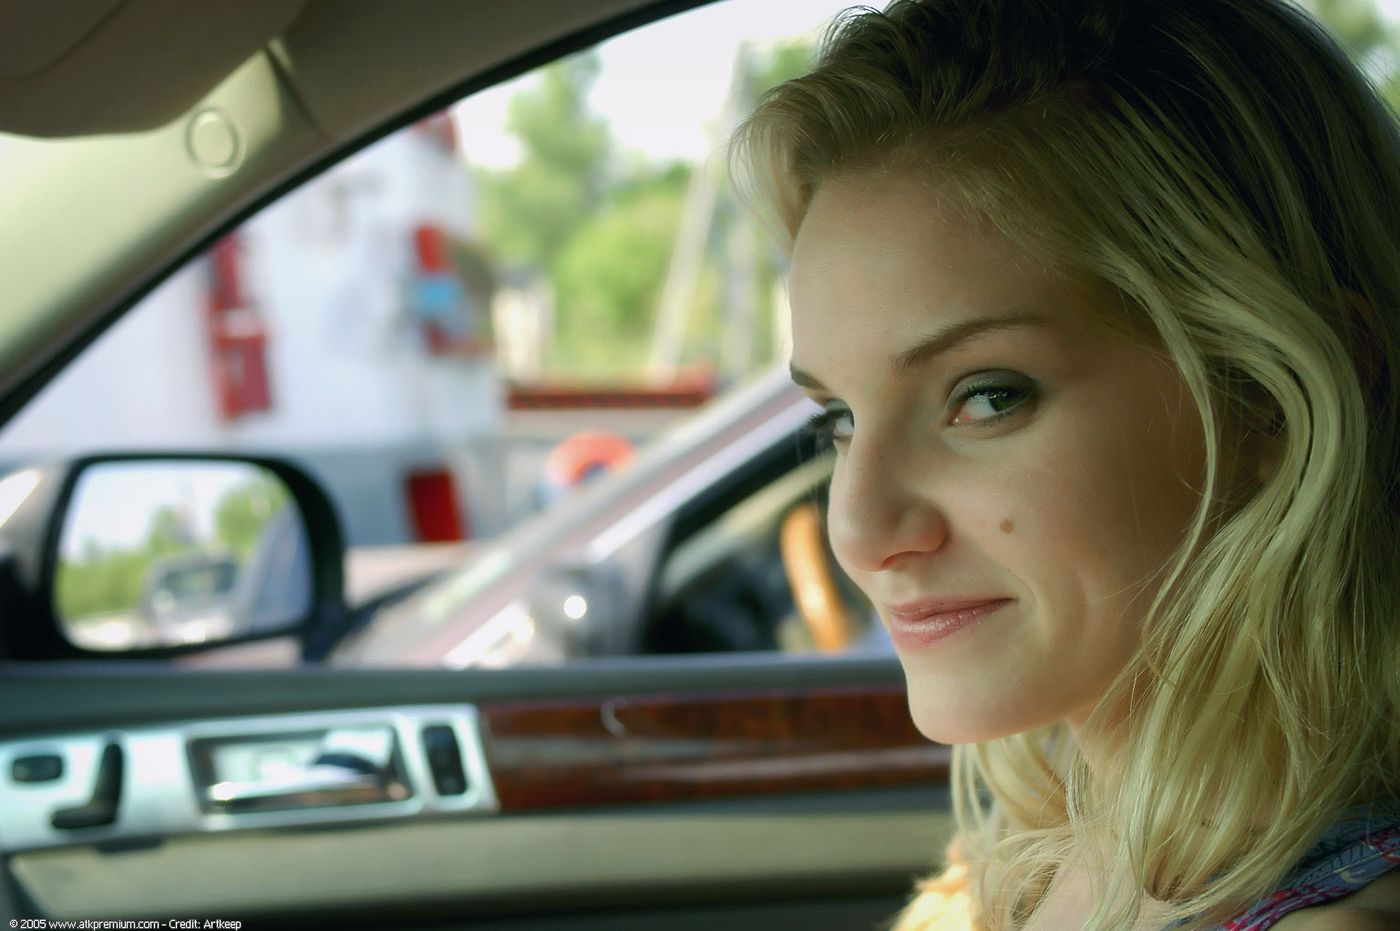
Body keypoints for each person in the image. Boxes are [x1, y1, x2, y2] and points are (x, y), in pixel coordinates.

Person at [729, 1, 1400, 928]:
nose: (858, 529)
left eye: (987, 396)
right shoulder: (1031, 856)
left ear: (1267, 401)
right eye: (839, 417)